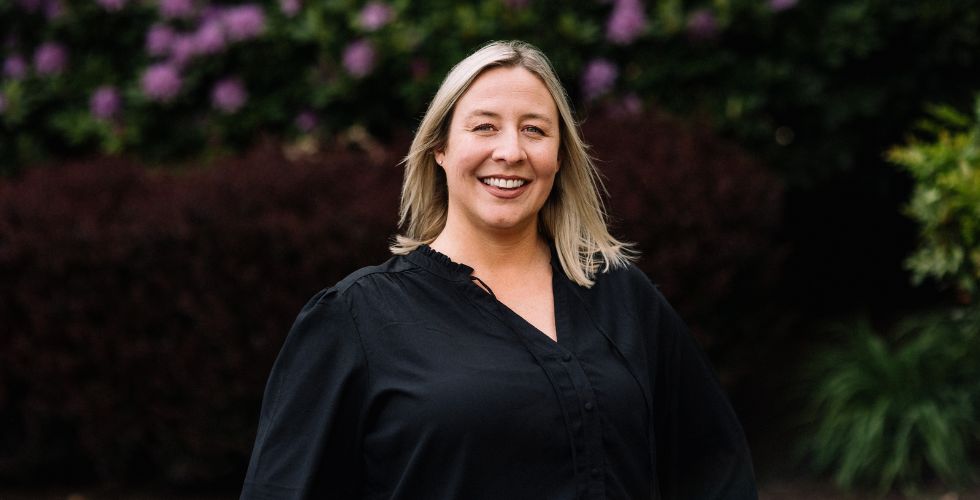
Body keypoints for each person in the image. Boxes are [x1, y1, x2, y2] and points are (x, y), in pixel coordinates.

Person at [240, 40, 757, 500]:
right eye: (484, 126)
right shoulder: (356, 320)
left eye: (535, 130)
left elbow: (713, 468)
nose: (510, 152)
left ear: (559, 157)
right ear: (440, 148)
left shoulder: (622, 297)